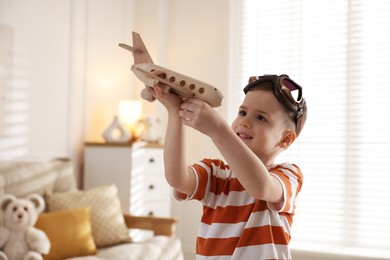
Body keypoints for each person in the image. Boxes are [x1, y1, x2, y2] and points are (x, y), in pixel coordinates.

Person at [147, 73, 307, 259]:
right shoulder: (216, 173)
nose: (244, 122)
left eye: (261, 118)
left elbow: (260, 186)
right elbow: (177, 178)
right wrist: (175, 113)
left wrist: (218, 130)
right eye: (242, 112)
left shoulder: (288, 175)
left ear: (285, 139)